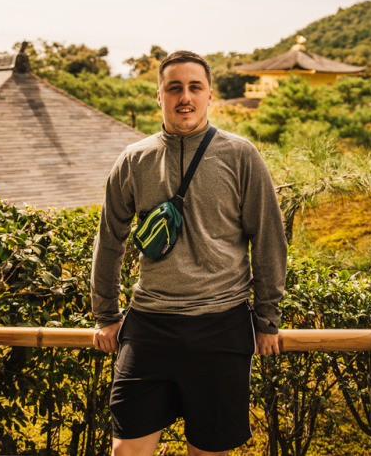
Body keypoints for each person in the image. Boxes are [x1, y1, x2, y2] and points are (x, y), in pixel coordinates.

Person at [91, 50, 288, 456]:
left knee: (208, 452)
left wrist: (268, 318)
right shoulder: (135, 159)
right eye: (174, 88)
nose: (185, 97)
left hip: (222, 323)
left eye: (195, 87)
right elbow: (110, 238)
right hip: (149, 325)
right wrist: (106, 314)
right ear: (159, 96)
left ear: (210, 96)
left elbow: (268, 237)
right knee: (126, 450)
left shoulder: (240, 155)